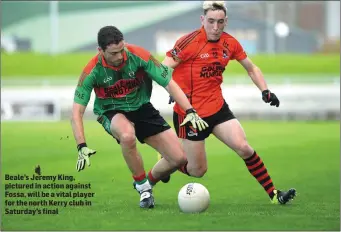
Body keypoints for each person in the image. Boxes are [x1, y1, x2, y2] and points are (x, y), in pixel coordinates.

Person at [159, 1, 296, 204]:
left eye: (220, 22)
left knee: (244, 148)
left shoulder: (230, 43)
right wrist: (172, 89)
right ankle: (168, 162)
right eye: (211, 21)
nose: (215, 27)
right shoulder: (189, 42)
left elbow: (251, 68)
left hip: (217, 108)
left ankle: (274, 195)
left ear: (226, 22)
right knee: (197, 171)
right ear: (202, 20)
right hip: (190, 114)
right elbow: (162, 68)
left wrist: (265, 90)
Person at [71, 25, 208, 209]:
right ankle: (145, 191)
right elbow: (76, 112)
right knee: (127, 136)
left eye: (122, 50)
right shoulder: (92, 71)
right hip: (110, 111)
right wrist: (81, 145)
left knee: (179, 159)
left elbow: (169, 84)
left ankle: (146, 183)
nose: (119, 56)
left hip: (142, 108)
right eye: (113, 53)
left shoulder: (139, 55)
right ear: (100, 51)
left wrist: (190, 110)